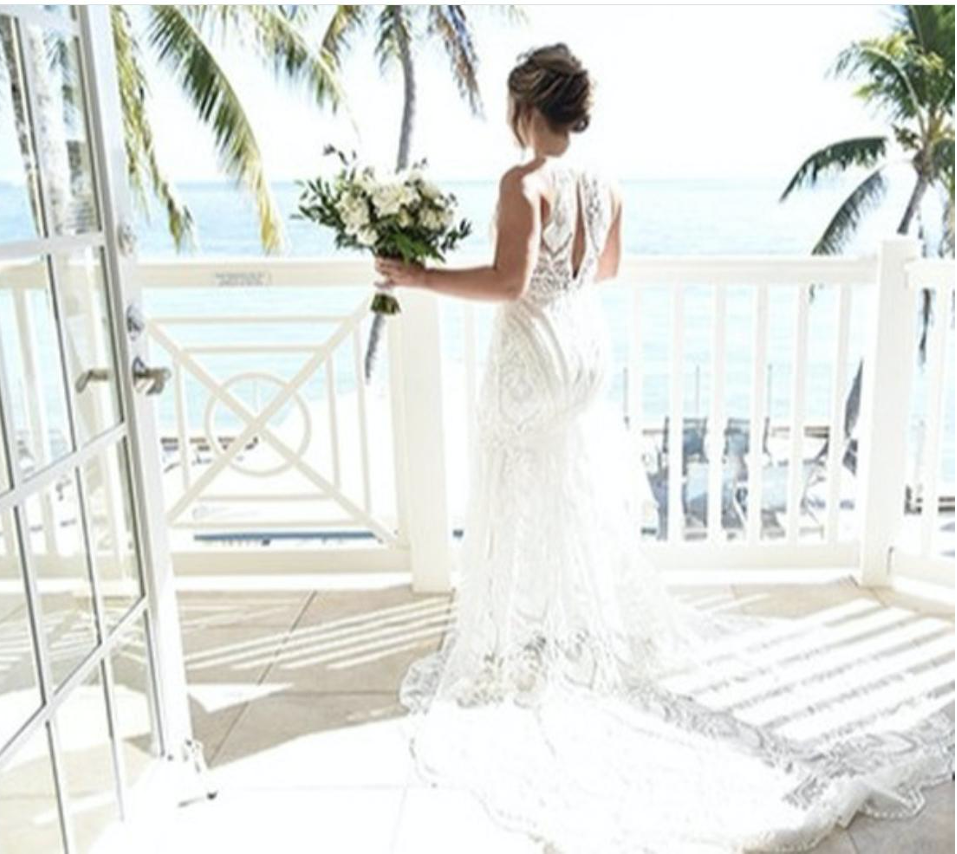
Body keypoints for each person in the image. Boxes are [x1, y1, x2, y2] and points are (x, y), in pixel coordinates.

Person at [374, 43, 955, 854]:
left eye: (510, 105)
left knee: (521, 488)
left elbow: (508, 285)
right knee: (568, 488)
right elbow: (604, 268)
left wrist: (419, 277)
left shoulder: (521, 182)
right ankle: (573, 623)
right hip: (581, 346)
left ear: (526, 108)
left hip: (531, 355)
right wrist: (554, 282)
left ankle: (527, 633)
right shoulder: (604, 185)